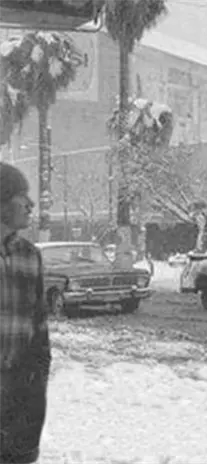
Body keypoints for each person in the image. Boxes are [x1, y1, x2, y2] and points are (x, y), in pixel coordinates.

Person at [0, 163, 51, 464]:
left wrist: (36, 383)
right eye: (22, 197)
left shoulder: (30, 256)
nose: (31, 205)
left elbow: (40, 329)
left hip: (18, 392)